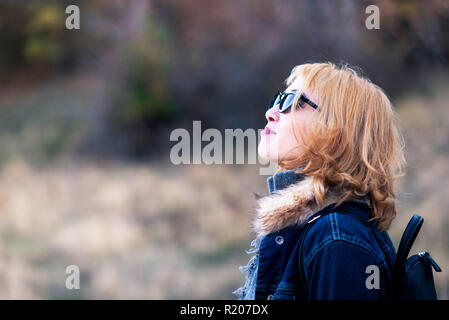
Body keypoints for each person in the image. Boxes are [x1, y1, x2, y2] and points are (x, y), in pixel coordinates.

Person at [233, 62, 406, 300]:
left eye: (290, 102)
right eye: (276, 100)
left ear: (336, 129)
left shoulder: (336, 240)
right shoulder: (314, 228)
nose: (270, 113)